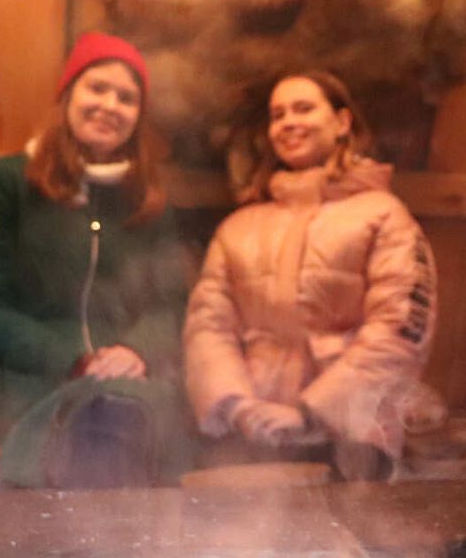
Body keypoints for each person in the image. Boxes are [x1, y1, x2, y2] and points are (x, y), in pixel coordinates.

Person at [0, 32, 196, 487]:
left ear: (138, 117)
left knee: (124, 414)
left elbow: (168, 305)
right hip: (19, 375)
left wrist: (136, 350)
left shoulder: (150, 200)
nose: (110, 106)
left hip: (124, 381)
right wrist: (72, 358)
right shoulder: (9, 181)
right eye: (97, 88)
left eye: (127, 98)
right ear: (68, 94)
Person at [184, 71, 438, 480]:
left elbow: (400, 329)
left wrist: (312, 413)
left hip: (352, 434)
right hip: (253, 432)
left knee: (341, 520)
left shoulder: (384, 216)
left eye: (304, 109)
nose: (289, 122)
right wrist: (237, 406)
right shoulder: (238, 228)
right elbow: (207, 326)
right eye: (278, 115)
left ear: (341, 122)